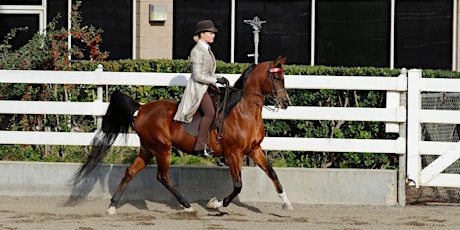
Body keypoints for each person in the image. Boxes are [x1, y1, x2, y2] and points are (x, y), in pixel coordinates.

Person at [174, 19, 228, 157]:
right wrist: (215, 79)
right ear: (202, 34)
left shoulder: (207, 50)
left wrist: (220, 78)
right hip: (199, 89)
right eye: (211, 33)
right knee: (210, 113)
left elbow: (208, 73)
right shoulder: (196, 51)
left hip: (207, 87)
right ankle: (200, 146)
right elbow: (198, 75)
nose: (213, 35)